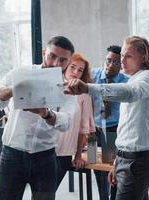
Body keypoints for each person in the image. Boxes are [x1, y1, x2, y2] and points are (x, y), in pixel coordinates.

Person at [64, 35, 149, 200]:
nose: (121, 61)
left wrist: (87, 88)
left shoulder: (146, 78)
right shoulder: (98, 74)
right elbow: (128, 124)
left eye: (127, 56)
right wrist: (118, 162)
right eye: (118, 57)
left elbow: (131, 93)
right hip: (94, 132)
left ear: (144, 57)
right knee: (93, 165)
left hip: (121, 143)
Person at [0, 36, 76, 200]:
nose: (56, 63)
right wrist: (14, 89)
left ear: (69, 62)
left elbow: (65, 123)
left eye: (62, 60)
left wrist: (45, 113)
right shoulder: (21, 73)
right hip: (12, 155)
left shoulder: (67, 89)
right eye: (52, 56)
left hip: (45, 158)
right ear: (43, 53)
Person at [91, 45, 128, 200]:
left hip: (113, 130)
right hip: (92, 130)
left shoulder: (126, 82)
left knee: (111, 169)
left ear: (121, 65)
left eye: (115, 62)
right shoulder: (92, 75)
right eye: (108, 60)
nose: (110, 65)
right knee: (94, 165)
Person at [55, 53, 96, 190]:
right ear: (65, 66)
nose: (75, 72)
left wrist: (78, 155)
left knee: (48, 192)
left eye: (80, 70)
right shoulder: (52, 86)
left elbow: (84, 128)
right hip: (42, 150)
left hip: (64, 152)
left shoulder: (84, 94)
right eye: (73, 67)